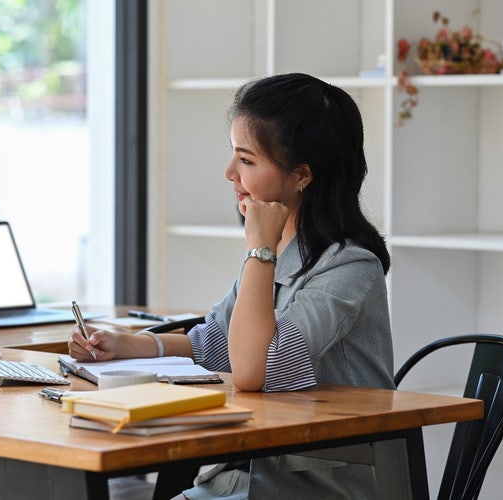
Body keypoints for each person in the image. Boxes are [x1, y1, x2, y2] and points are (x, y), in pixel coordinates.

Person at [68, 73, 394, 499]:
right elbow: (220, 341)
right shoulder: (278, 249)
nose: (229, 173)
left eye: (246, 160)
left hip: (316, 484)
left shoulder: (350, 266)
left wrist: (259, 248)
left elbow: (253, 369)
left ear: (302, 175)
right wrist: (132, 344)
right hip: (244, 473)